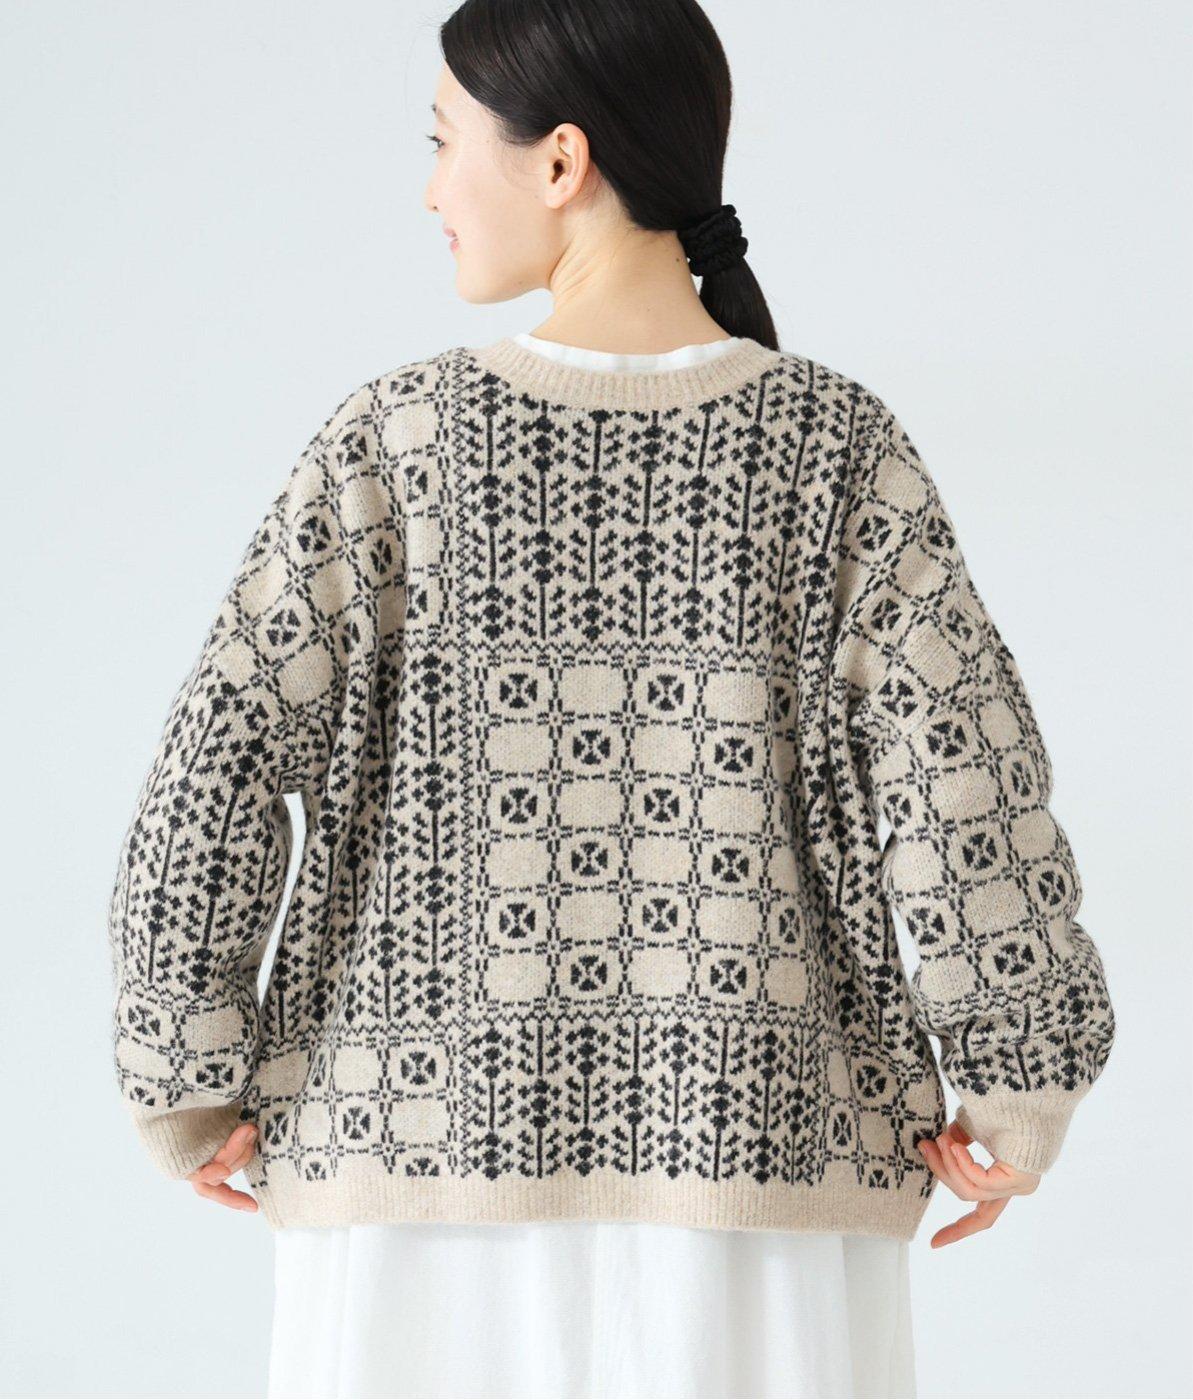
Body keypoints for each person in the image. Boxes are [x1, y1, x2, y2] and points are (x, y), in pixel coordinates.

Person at [105, 1, 1118, 1396]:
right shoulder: (837, 451)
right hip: (765, 1188)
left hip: (411, 1189)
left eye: (443, 142)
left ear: (560, 159)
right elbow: (964, 786)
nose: (429, 188)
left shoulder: (394, 442)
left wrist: (184, 1071)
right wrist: (1017, 1085)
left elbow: (218, 762)